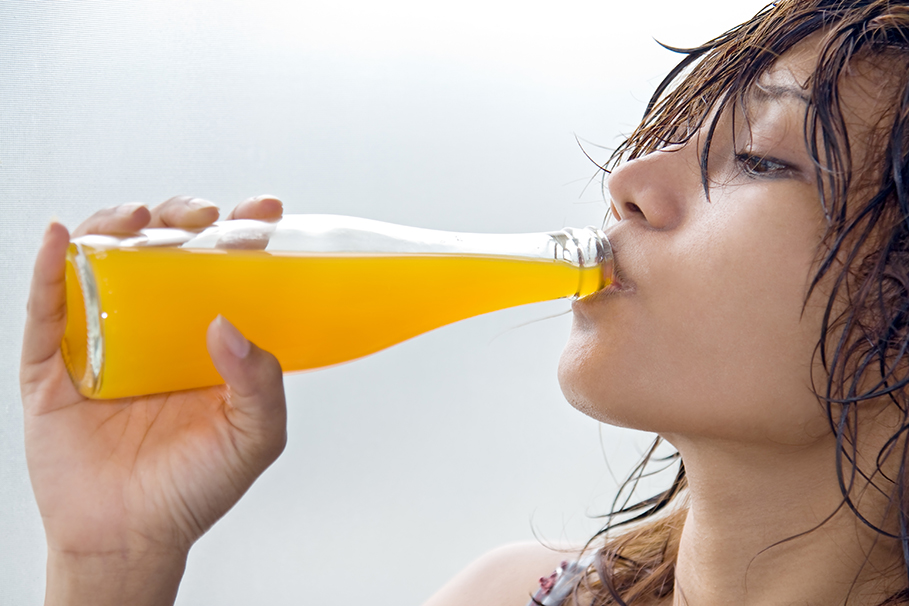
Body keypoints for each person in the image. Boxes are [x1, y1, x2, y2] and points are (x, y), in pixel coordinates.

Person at [20, 0, 909, 603]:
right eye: (677, 136)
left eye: (759, 158)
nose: (630, 182)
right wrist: (112, 564)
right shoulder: (507, 593)